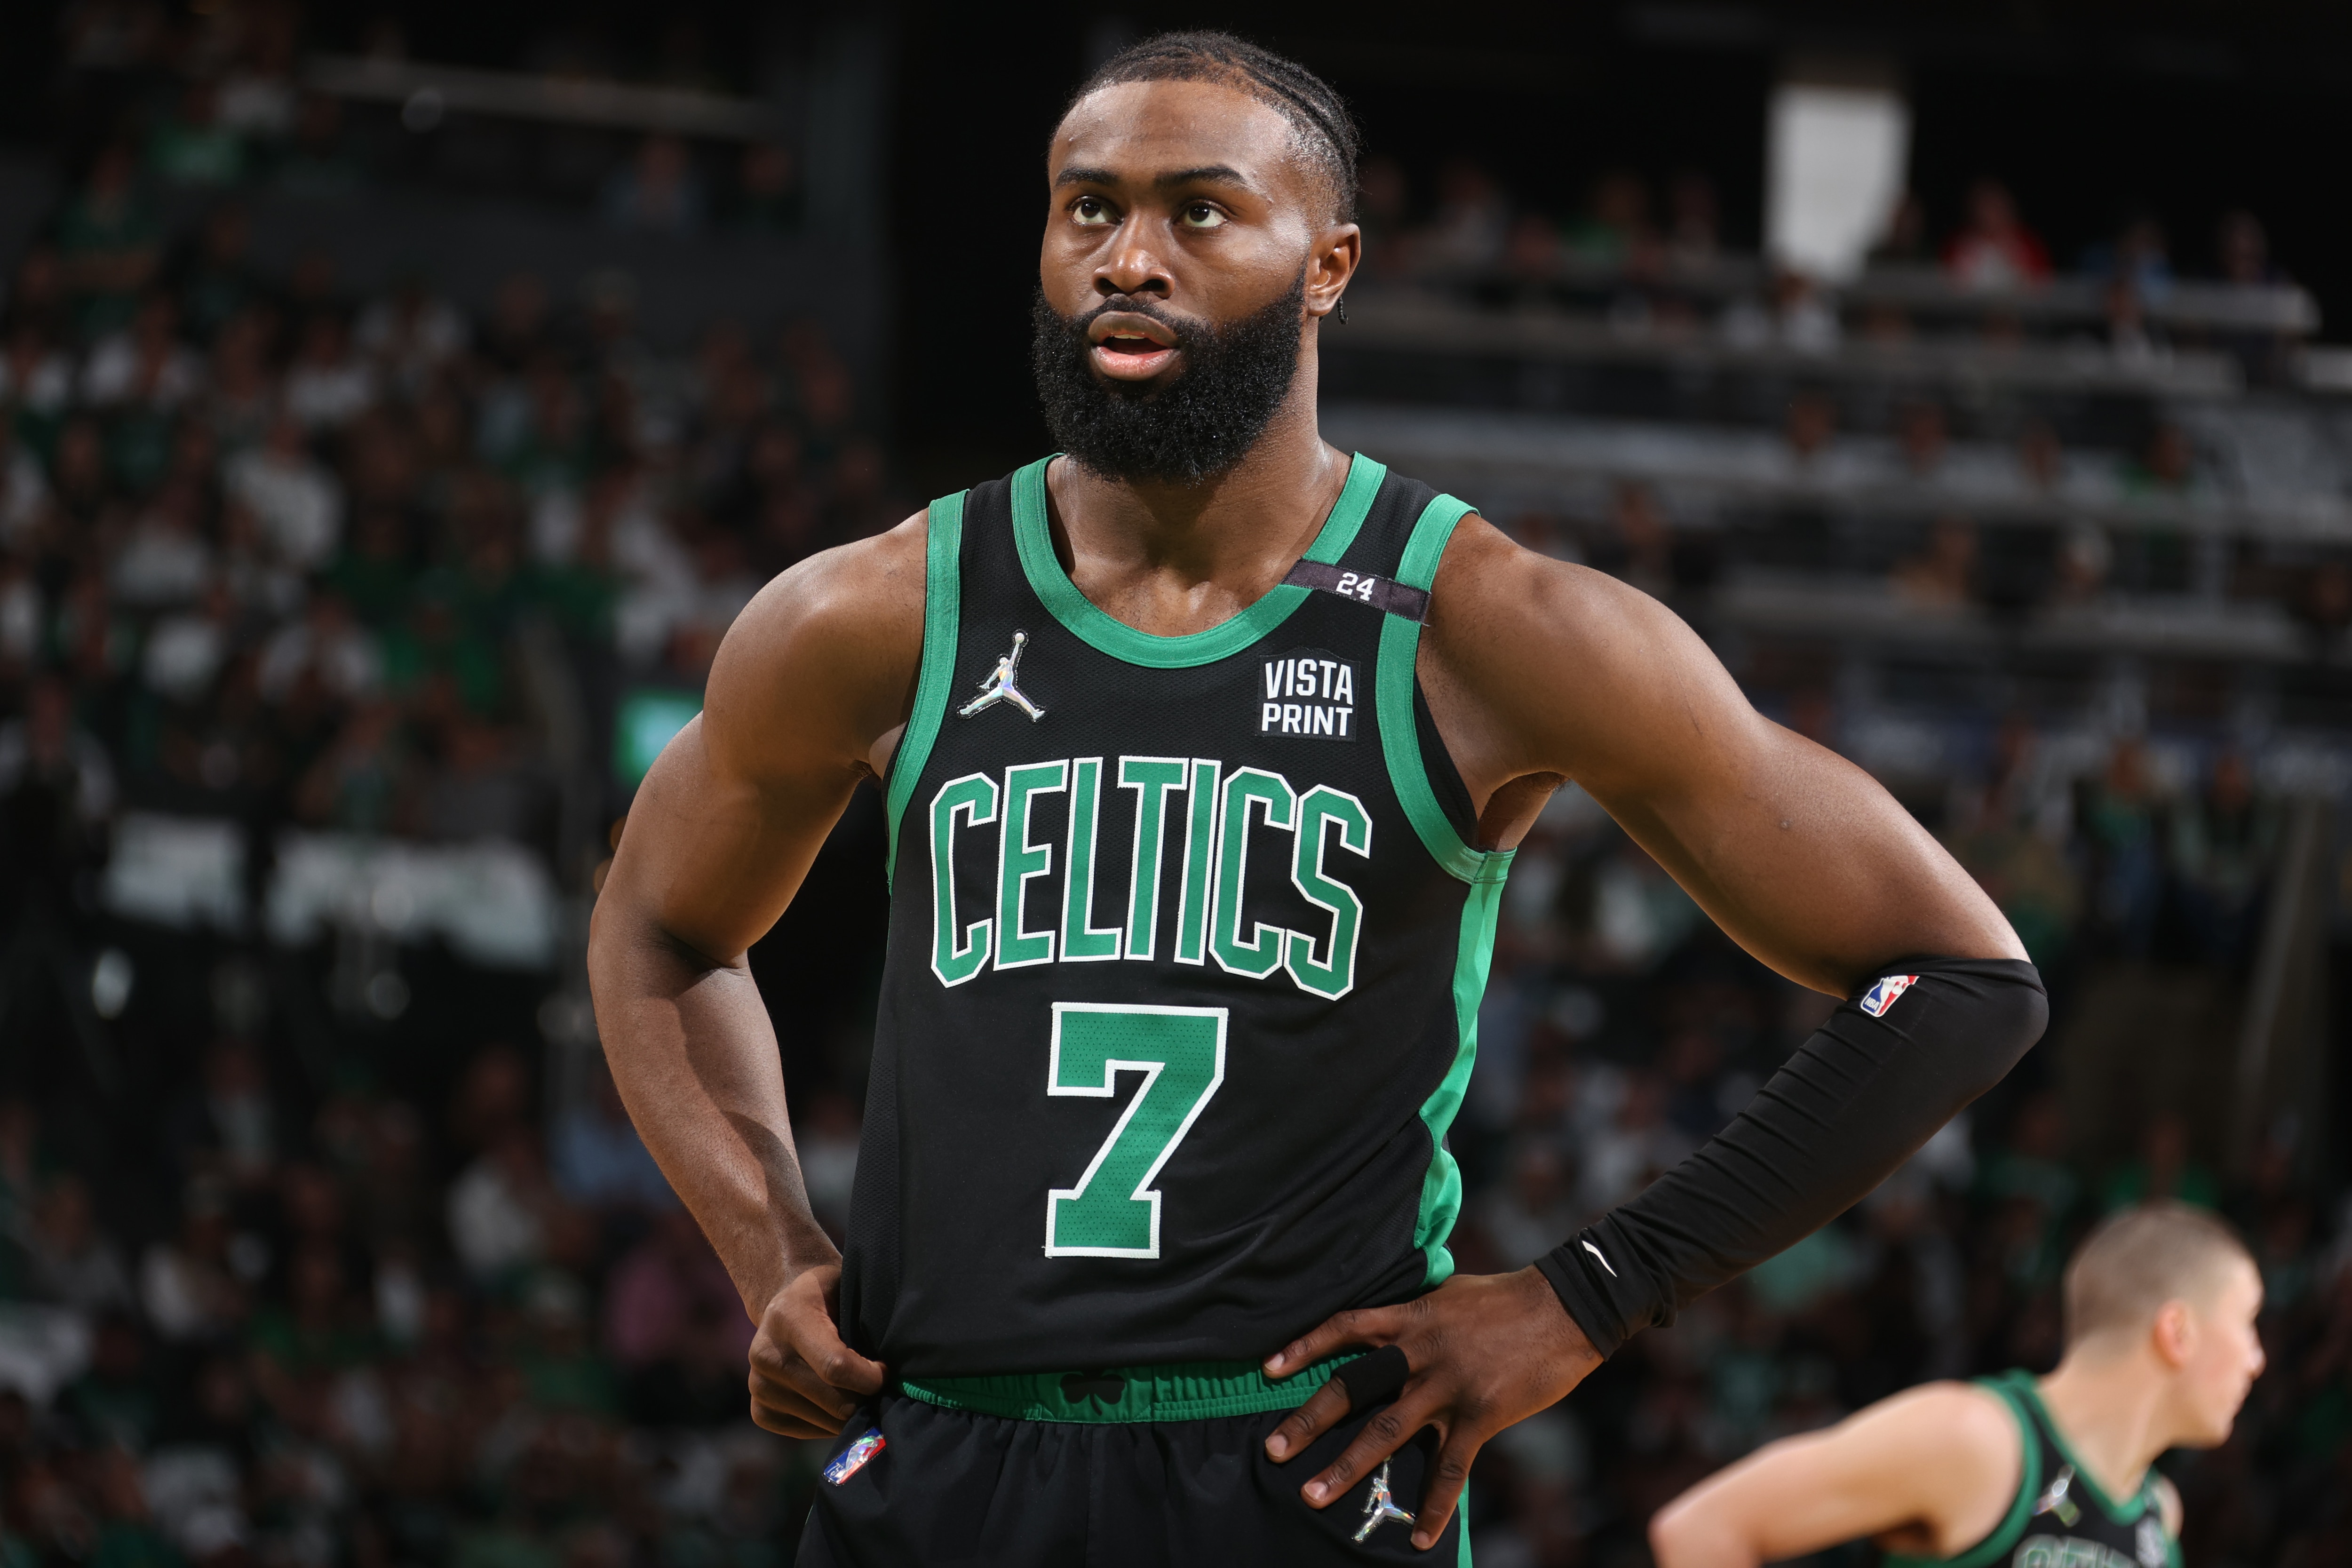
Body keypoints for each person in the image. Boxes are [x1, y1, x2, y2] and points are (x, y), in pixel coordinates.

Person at [588, 31, 2045, 1563]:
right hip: (940, 1457)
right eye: (1087, 209)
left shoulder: (1490, 625)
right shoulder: (872, 613)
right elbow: (658, 929)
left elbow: (1958, 975)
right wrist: (771, 1259)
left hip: (1295, 1472)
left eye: (1198, 211)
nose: (1129, 257)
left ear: (1329, 264)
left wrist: (1592, 1292)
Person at [1649, 1202, 2265, 1568]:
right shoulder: (1979, 1439)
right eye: (2247, 1323)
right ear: (2177, 1330)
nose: (2258, 1358)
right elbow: (1704, 1529)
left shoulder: (2160, 1514)